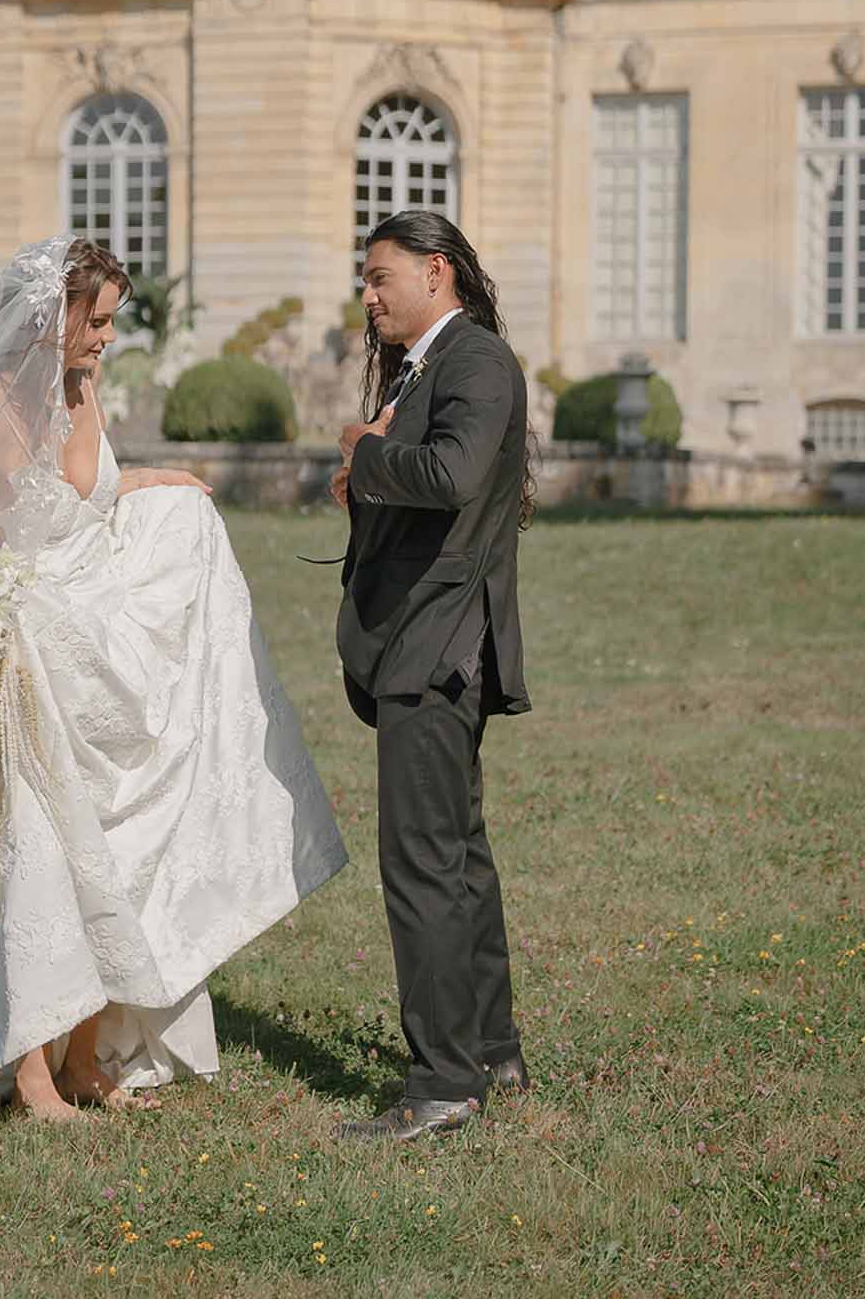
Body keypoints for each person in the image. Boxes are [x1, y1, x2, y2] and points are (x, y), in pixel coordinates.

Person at [0, 235, 346, 1121]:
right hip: (21, 657)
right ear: (50, 317)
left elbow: (87, 498)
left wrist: (161, 483)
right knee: (34, 856)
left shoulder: (78, 394)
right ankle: (31, 1074)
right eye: (97, 321)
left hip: (95, 643)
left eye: (111, 321)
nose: (108, 338)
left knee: (108, 850)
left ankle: (81, 1060)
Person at [330, 209, 534, 1143]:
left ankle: (443, 1083)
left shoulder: (475, 361)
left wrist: (365, 455)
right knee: (457, 859)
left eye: (380, 277)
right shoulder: (433, 367)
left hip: (436, 642)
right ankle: (490, 1051)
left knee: (422, 866)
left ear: (436, 272)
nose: (368, 296)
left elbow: (452, 476)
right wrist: (368, 479)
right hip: (429, 640)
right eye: (364, 281)